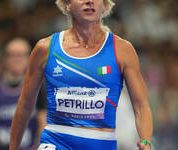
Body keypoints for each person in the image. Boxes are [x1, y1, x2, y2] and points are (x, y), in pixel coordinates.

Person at [10, 0, 153, 150]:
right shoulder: (45, 48)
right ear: (67, 5)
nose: (89, 1)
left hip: (101, 143)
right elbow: (25, 104)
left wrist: (145, 142)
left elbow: (141, 106)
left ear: (104, 6)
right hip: (56, 141)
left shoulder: (123, 50)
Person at [0, 38, 47, 150]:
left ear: (30, 58)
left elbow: (43, 120)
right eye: (13, 55)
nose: (17, 60)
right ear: (4, 58)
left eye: (22, 55)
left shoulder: (38, 86)